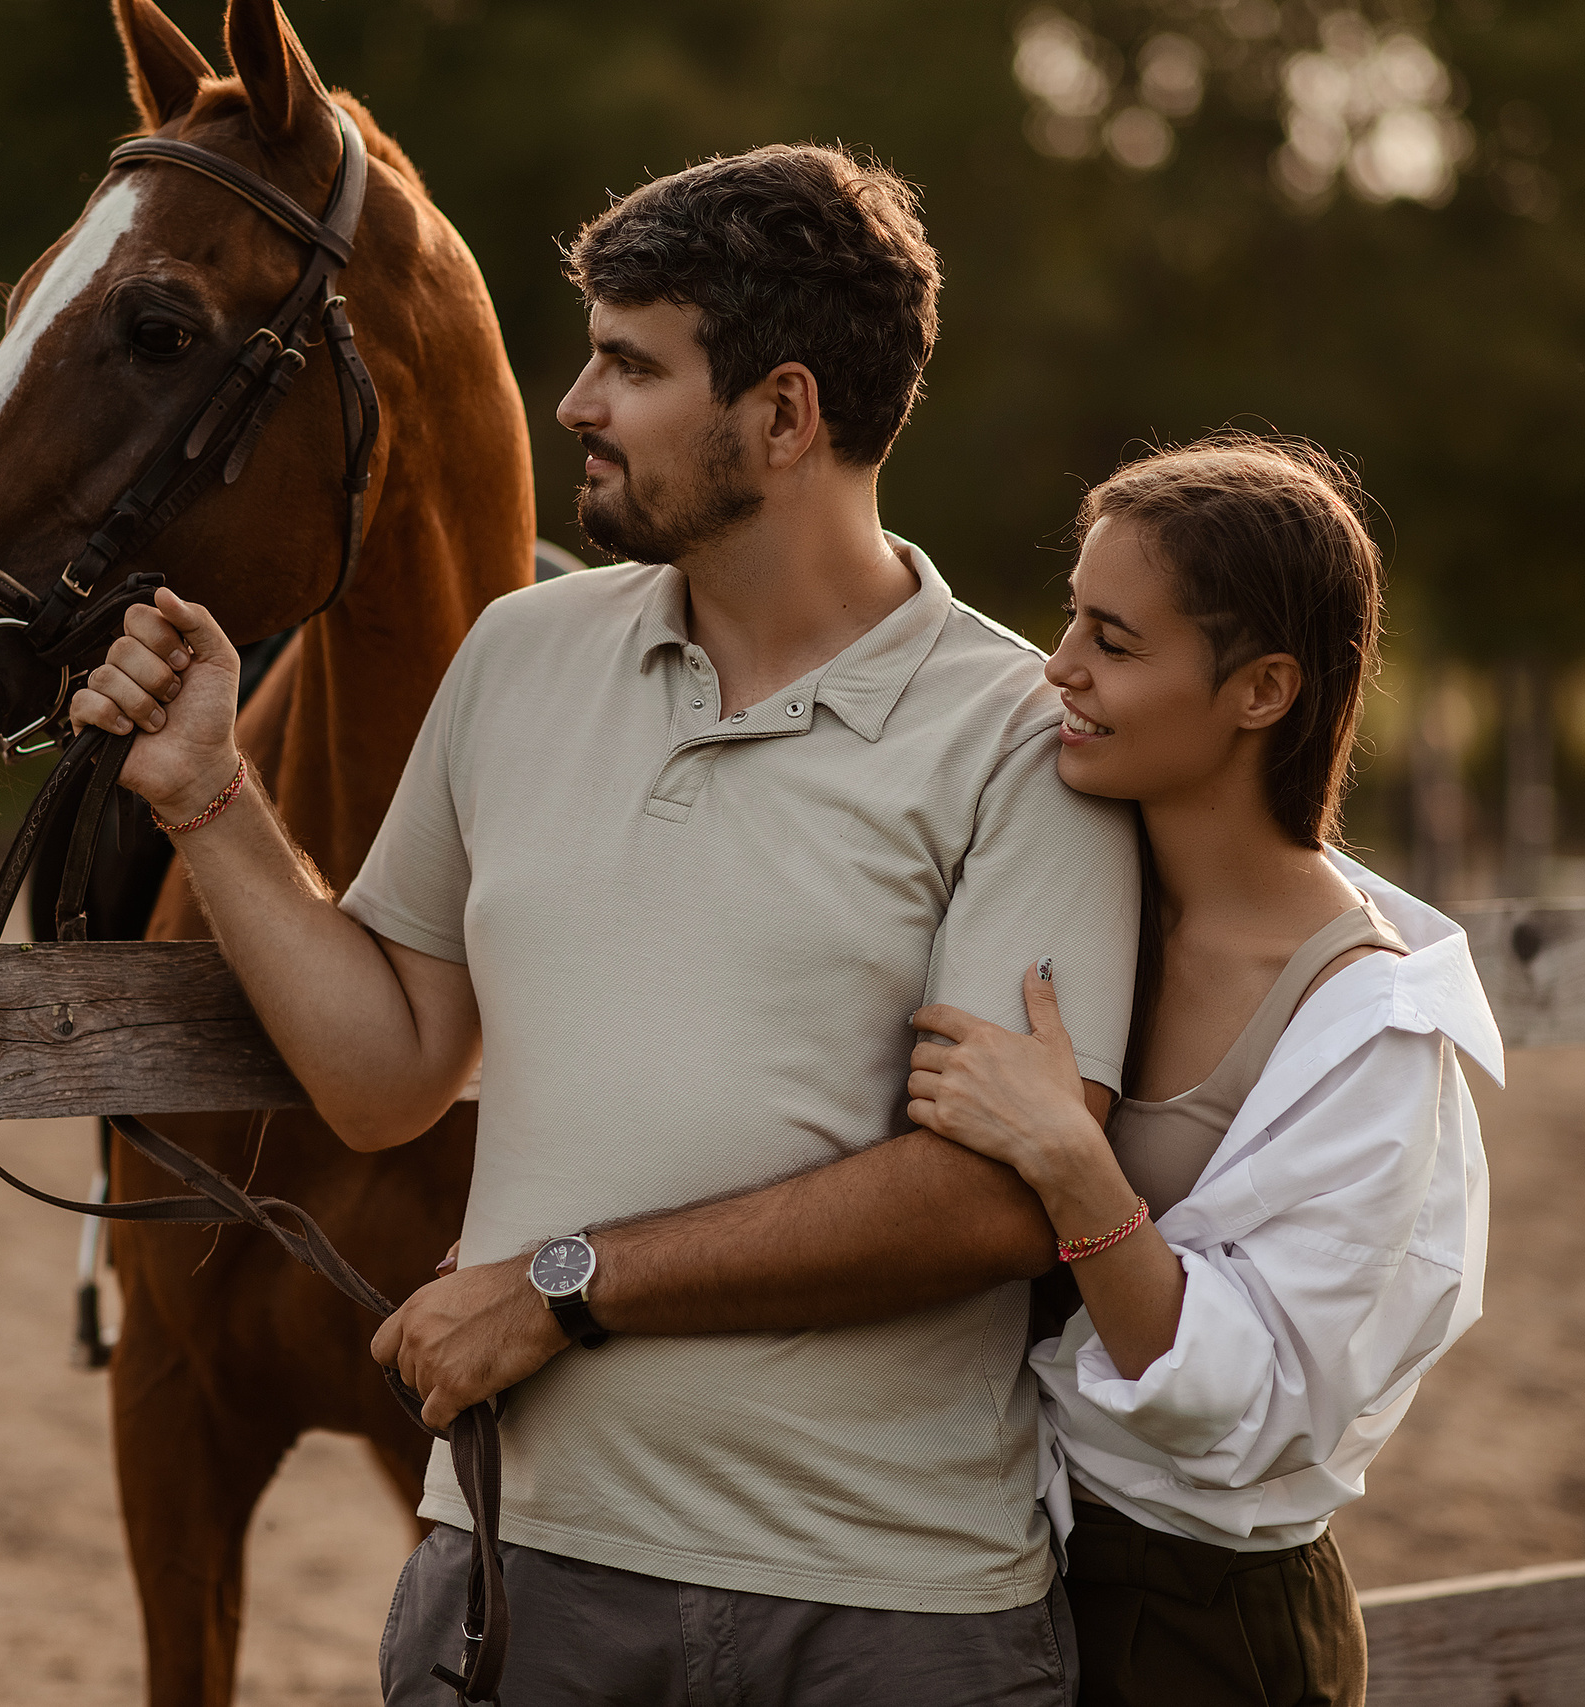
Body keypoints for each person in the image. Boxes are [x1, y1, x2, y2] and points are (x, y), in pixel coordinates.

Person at [70, 144, 1141, 1703]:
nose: (573, 403)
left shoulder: (1018, 738)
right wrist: (209, 802)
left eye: (631, 365)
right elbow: (390, 1076)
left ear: (782, 415)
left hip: (885, 1616)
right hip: (520, 1580)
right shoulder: (514, 657)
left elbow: (994, 1200)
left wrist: (566, 1282)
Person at [902, 435, 1501, 1707]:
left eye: (1113, 642)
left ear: (1261, 689)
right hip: (1005, 1569)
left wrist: (1069, 1163)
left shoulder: (1368, 1024)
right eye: (1069, 618)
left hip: (1206, 1629)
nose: (1056, 665)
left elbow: (1256, 1399)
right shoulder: (1077, 890)